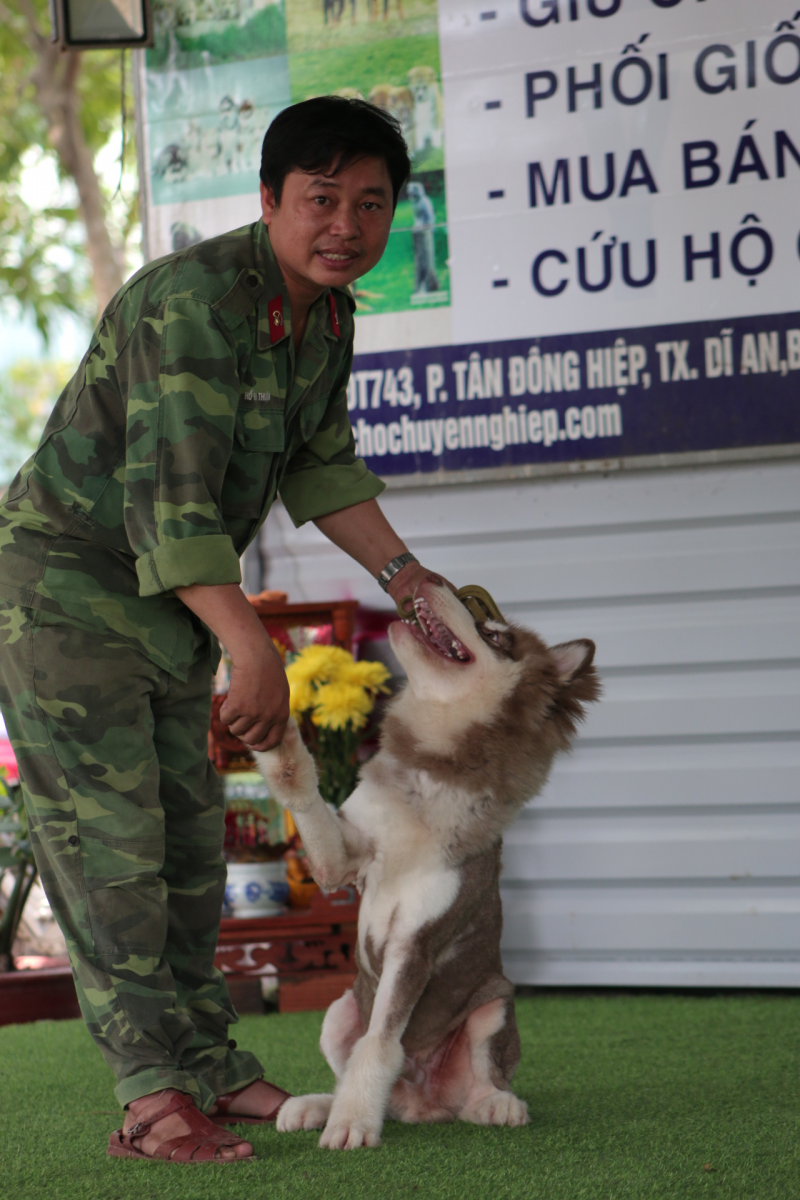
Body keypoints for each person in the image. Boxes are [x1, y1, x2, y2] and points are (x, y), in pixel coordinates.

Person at [0, 97, 441, 1163]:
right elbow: (171, 504)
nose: (346, 225)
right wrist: (251, 645)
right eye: (321, 200)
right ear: (268, 201)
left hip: (172, 600)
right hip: (67, 591)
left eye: (370, 204)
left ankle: (208, 1065)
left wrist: (406, 574)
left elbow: (316, 465)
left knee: (189, 847)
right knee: (112, 853)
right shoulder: (194, 304)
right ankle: (152, 1097)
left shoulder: (327, 315)